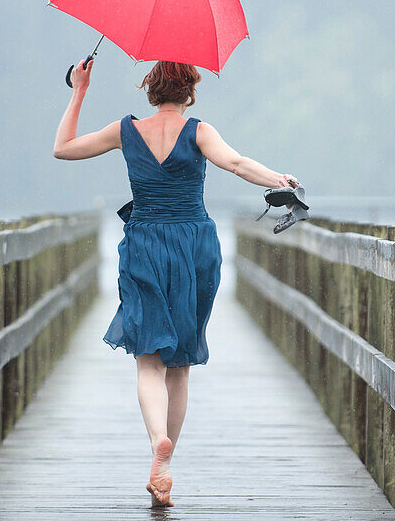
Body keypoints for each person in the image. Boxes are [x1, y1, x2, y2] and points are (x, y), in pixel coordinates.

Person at [52, 58, 299, 508]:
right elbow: (237, 164)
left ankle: (156, 443)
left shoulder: (125, 131)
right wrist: (278, 179)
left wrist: (79, 88)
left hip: (145, 241)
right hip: (194, 246)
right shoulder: (200, 132)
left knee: (149, 360)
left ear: (150, 90)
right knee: (180, 365)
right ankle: (168, 461)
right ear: (188, 92)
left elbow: (63, 148)